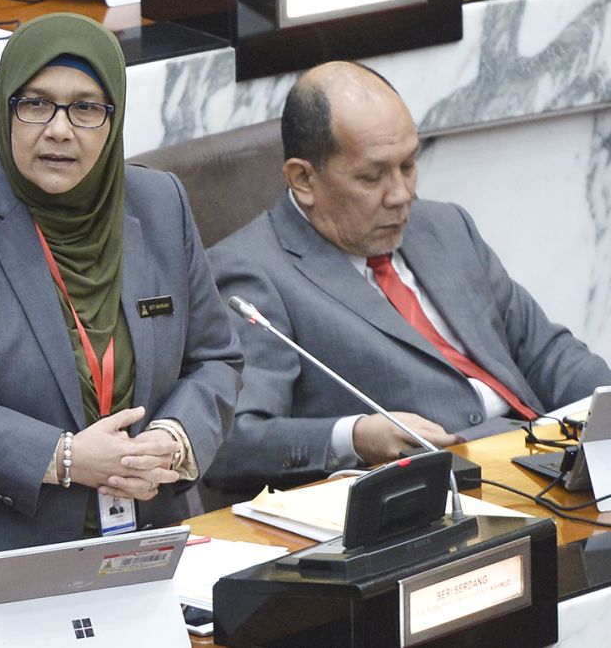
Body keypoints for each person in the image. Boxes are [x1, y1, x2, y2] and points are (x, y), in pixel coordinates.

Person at [0, 13, 242, 620]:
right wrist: (62, 457)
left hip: (141, 558)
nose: (59, 130)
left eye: (86, 108)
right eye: (36, 104)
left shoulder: (159, 204)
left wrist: (173, 440)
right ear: (6, 111)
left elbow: (215, 358)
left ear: (113, 121)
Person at [205, 61, 611, 493]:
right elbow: (232, 441)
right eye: (373, 176)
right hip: (445, 497)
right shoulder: (252, 272)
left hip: (542, 463)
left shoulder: (445, 226)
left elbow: (546, 353)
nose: (401, 195)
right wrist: (354, 436)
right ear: (303, 179)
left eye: (409, 165)